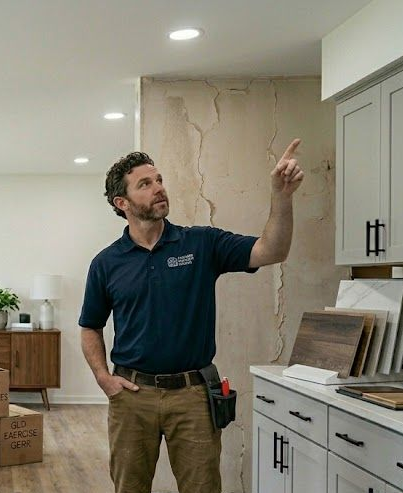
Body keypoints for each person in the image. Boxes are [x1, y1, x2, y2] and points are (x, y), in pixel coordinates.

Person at [79, 140, 304, 493]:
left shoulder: (200, 243)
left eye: (159, 180)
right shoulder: (106, 263)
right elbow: (90, 325)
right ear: (121, 204)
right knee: (129, 487)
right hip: (132, 396)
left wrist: (282, 196)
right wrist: (103, 377)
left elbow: (271, 250)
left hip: (193, 395)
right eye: (145, 184)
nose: (159, 188)